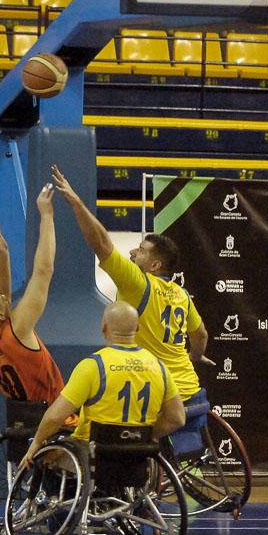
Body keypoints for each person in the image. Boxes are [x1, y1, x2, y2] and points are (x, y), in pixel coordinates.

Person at [51, 165, 214, 406]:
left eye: (141, 251)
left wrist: (76, 203)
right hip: (190, 391)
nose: (132, 251)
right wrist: (195, 356)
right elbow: (200, 335)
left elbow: (101, 244)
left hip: (154, 391)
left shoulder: (138, 282)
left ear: (155, 265)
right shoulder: (181, 294)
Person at [21, 300, 185, 468]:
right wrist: (143, 436)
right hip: (137, 458)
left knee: (48, 457)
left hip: (91, 458)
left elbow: (55, 417)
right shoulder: (160, 367)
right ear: (137, 329)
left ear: (104, 328)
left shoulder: (94, 366)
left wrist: (38, 442)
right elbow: (177, 418)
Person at [0, 182, 66, 405]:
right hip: (53, 417)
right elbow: (44, 270)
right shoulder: (18, 330)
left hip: (20, 417)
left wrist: (3, 255)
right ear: (1, 314)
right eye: (2, 301)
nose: (6, 297)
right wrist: (47, 216)